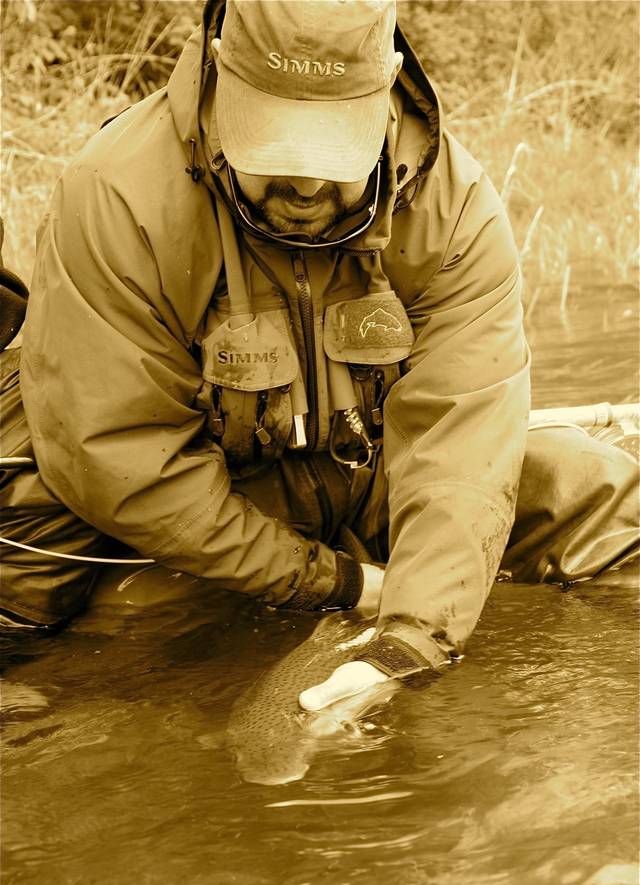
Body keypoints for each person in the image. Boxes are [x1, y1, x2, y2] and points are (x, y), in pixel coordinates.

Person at [1, 0, 637, 713]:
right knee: (122, 672)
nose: (304, 187)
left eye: (333, 155)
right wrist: (339, 585)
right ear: (218, 70)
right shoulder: (116, 196)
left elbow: (460, 445)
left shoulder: (452, 207)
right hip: (194, 531)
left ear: (388, 82)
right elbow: (122, 459)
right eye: (271, 149)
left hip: (367, 483)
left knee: (597, 488)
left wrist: (410, 638)